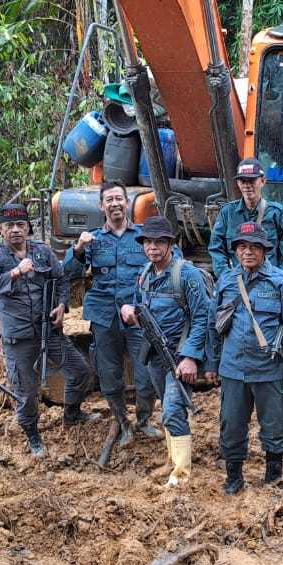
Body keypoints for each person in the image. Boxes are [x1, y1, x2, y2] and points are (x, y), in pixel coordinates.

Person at [0, 201, 97, 457]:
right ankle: (33, 435)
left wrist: (61, 305)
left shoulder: (42, 252)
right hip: (18, 339)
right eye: (9, 226)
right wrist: (14, 273)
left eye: (20, 224)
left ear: (28, 228)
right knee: (26, 392)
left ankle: (72, 414)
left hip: (49, 330)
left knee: (80, 371)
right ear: (0, 230)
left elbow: (62, 279)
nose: (15, 230)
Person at [206, 222, 283, 495]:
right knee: (231, 425)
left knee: (275, 426)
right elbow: (212, 325)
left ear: (265, 250)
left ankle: (273, 476)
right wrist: (211, 364)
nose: (247, 252)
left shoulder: (281, 281)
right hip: (233, 369)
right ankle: (234, 478)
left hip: (270, 370)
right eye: (242, 246)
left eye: (254, 247)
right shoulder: (227, 280)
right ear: (236, 250)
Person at [65, 181, 163, 450]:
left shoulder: (144, 237)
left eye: (119, 198)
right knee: (109, 374)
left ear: (127, 202)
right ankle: (122, 422)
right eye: (109, 199)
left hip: (138, 316)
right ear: (101, 205)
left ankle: (143, 420)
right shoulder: (93, 239)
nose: (115, 203)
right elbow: (68, 273)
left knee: (146, 374)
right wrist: (78, 249)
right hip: (104, 316)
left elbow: (167, 262)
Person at [130, 215, 211, 486]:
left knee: (173, 410)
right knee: (167, 406)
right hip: (154, 354)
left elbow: (202, 317)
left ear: (170, 244)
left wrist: (191, 356)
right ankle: (172, 460)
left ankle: (182, 473)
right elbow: (137, 306)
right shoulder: (144, 274)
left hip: (178, 355)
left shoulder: (186, 274)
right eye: (148, 242)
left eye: (159, 242)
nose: (152, 247)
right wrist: (128, 312)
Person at [208, 158, 283, 279]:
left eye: (252, 180)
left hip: (268, 285)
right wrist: (227, 278)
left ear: (263, 181)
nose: (247, 185)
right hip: (238, 284)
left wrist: (281, 283)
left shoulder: (276, 213)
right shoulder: (227, 213)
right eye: (242, 181)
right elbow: (216, 249)